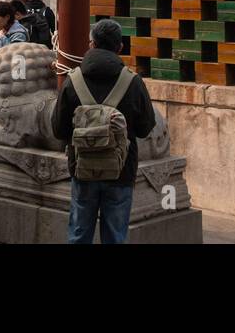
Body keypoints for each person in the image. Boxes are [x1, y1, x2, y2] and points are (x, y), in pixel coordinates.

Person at [50, 19, 156, 244]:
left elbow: (58, 129)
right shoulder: (133, 81)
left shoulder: (73, 80)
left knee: (78, 233)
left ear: (91, 44)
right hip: (121, 170)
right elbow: (147, 126)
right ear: (120, 47)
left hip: (82, 168)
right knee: (116, 236)